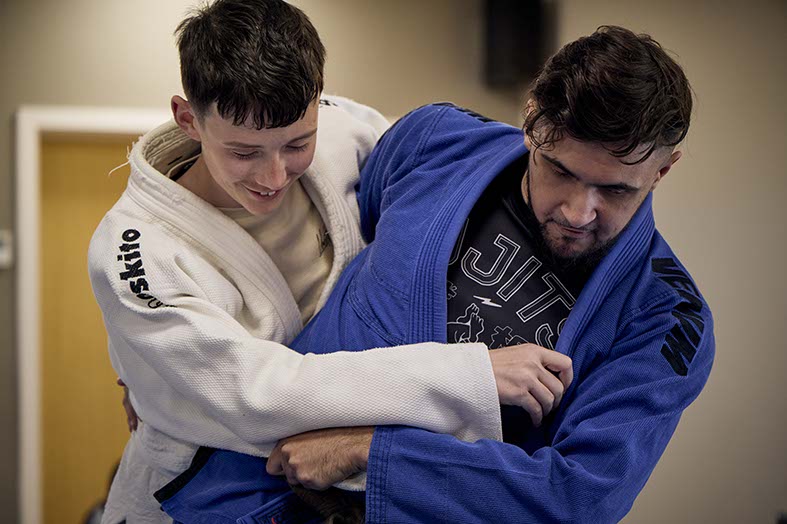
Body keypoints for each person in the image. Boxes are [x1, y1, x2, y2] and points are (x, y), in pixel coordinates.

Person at [152, 26, 715, 523]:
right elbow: (325, 253)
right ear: (531, 117)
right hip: (247, 488)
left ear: (664, 168)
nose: (577, 210)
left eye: (616, 189)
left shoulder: (664, 315)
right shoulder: (435, 141)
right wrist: (178, 351)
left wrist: (373, 450)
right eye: (560, 170)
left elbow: (578, 497)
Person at [87, 0, 572, 522]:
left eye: (297, 143)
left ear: (319, 105)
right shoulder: (136, 249)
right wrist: (468, 377)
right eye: (244, 153)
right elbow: (259, 395)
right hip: (203, 492)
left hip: (344, 486)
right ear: (188, 119)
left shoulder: (349, 133)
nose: (274, 176)